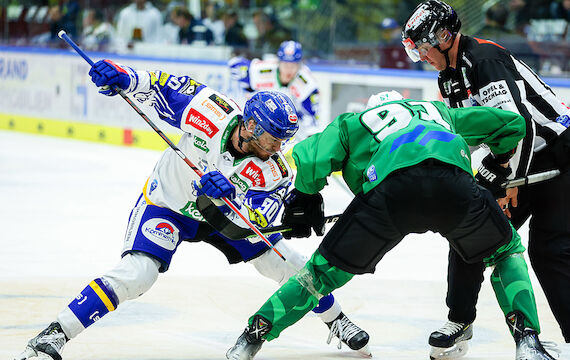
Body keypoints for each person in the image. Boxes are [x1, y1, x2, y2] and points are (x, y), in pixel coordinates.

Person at [13, 60, 369, 360]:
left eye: (283, 140)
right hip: (169, 204)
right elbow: (158, 86)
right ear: (250, 126)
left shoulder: (274, 167)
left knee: (288, 264)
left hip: (224, 218)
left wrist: (233, 198)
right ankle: (55, 335)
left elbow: (260, 219)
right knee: (138, 274)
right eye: (272, 138)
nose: (278, 146)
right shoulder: (208, 110)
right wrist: (123, 77)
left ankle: (335, 318)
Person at [225, 91, 558, 360]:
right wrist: (499, 164)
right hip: (453, 185)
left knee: (318, 276)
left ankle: (250, 340)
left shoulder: (356, 122)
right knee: (505, 251)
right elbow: (512, 124)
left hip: (390, 196)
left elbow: (312, 156)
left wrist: (306, 197)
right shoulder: (440, 112)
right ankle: (527, 342)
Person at [400, 1, 570, 359]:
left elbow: (521, 128)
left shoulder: (484, 61)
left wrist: (508, 182)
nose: (422, 56)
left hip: (559, 149)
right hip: (516, 154)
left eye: (423, 47)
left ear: (443, 37)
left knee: (552, 250)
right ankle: (460, 320)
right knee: (468, 225)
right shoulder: (448, 77)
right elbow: (470, 136)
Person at [228, 40, 320, 140]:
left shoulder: (307, 83)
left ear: (300, 64)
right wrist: (248, 88)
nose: (289, 70)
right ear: (278, 62)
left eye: (293, 65)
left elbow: (311, 121)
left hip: (290, 132)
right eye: (285, 64)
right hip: (261, 122)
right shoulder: (263, 69)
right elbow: (234, 64)